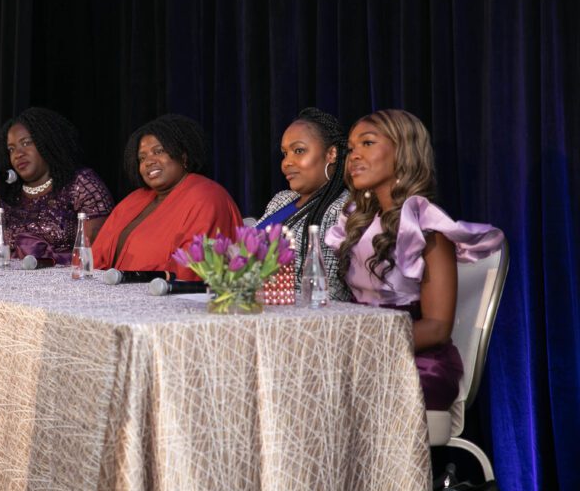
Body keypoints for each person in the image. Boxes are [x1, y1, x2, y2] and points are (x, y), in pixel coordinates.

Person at [325, 109, 502, 411]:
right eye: (351, 148)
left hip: (418, 363)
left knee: (333, 394)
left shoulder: (425, 224)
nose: (353, 156)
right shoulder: (359, 222)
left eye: (367, 143)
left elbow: (437, 327)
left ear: (403, 151)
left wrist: (366, 345)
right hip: (367, 351)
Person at [92, 114, 242, 281]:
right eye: (142, 158)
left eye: (159, 151)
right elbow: (95, 257)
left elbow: (189, 270)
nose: (149, 161)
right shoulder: (133, 200)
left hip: (166, 299)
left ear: (183, 157)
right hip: (114, 294)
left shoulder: (206, 197)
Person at [0, 107, 114, 264]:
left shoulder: (81, 183)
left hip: (65, 284)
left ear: (47, 143)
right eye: (11, 149)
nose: (18, 154)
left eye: (26, 143)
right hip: (10, 282)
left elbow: (94, 254)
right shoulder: (6, 192)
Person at [257, 107, 351, 301]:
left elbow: (331, 293)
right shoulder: (281, 200)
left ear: (331, 154)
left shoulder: (343, 209)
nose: (286, 163)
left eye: (299, 151)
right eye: (284, 153)